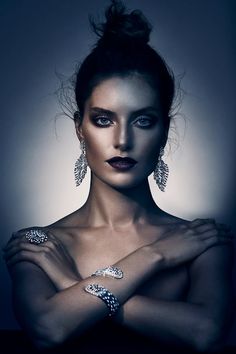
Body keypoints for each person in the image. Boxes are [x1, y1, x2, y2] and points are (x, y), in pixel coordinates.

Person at [3, 1, 234, 353]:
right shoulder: (39, 244)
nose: (123, 141)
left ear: (164, 130)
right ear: (80, 128)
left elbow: (206, 334)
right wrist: (154, 255)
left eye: (143, 121)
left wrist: (72, 284)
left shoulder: (201, 243)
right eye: (103, 120)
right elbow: (48, 328)